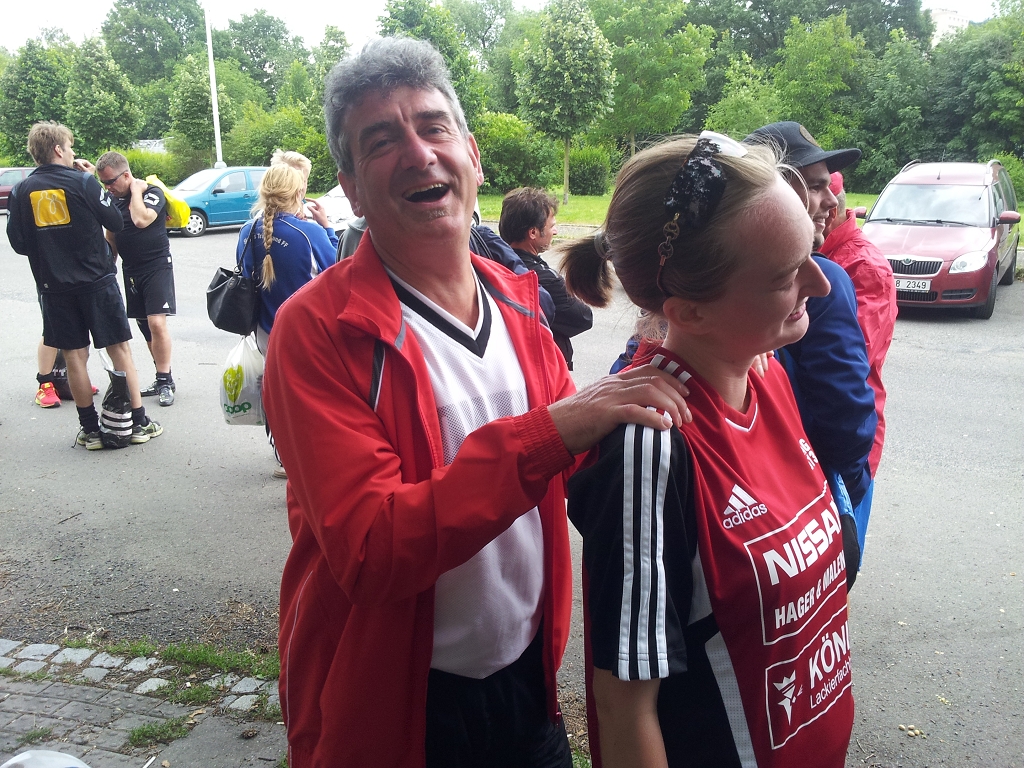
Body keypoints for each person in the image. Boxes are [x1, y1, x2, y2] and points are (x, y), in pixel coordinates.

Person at [261, 37, 689, 768]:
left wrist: (690, 350)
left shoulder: (517, 301)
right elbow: (371, 550)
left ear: (472, 154)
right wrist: (550, 434)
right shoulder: (318, 329)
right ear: (352, 189)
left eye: (434, 127)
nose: (418, 153)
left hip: (527, 684)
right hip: (397, 710)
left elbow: (583, 458)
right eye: (381, 141)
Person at [564, 133, 855, 768]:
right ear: (689, 313)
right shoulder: (651, 448)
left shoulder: (767, 373)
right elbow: (624, 708)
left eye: (811, 253)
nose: (821, 284)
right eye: (786, 275)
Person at [745, 122, 876, 570]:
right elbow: (848, 412)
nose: (833, 201)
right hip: (800, 504)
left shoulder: (709, 278)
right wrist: (843, 485)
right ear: (777, 192)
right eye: (816, 186)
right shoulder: (824, 280)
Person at [7, 121, 161, 449]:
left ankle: (90, 429)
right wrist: (92, 188)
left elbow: (18, 243)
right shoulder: (83, 182)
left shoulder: (21, 191)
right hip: (96, 281)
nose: (72, 151)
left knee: (74, 355)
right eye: (70, 146)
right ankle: (138, 423)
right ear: (58, 149)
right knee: (119, 350)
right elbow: (115, 221)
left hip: (53, 286)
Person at [237, 163, 337, 479]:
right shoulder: (310, 233)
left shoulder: (247, 231)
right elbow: (338, 269)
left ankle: (284, 456)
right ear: (299, 192)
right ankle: (314, 460)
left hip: (265, 331)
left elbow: (245, 274)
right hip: (306, 332)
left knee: (278, 394)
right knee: (313, 397)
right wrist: (328, 228)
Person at [821, 171, 897, 478]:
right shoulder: (820, 252)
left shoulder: (865, 267)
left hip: (847, 435)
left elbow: (849, 362)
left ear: (829, 213)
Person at [96, 151, 177, 406]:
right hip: (131, 270)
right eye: (103, 183)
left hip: (156, 266)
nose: (108, 187)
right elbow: (111, 235)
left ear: (126, 175)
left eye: (111, 181)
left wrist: (135, 191)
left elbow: (141, 220)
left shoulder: (151, 192)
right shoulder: (112, 200)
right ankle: (163, 377)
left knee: (156, 323)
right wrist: (109, 266)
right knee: (145, 327)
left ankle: (165, 381)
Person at [499, 187, 593, 369]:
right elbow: (583, 317)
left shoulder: (493, 262)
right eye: (551, 226)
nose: (555, 231)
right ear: (533, 233)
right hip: (543, 369)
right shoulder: (542, 278)